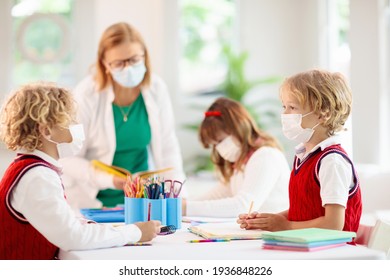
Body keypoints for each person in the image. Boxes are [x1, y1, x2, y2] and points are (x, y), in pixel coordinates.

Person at [0, 82, 161, 260]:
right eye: (69, 120)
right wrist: (135, 232)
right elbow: (73, 237)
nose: (76, 126)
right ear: (46, 131)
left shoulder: (31, 168)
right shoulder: (38, 177)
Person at [61, 22, 185, 208]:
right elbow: (68, 157)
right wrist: (109, 180)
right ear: (105, 64)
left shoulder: (156, 89)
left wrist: (177, 198)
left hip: (142, 201)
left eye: (134, 60)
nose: (128, 68)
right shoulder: (86, 94)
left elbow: (168, 148)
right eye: (119, 63)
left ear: (145, 57)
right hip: (93, 202)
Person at [237, 69, 362, 234]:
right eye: (284, 106)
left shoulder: (332, 161)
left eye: (293, 107)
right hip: (306, 247)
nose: (284, 114)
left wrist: (285, 226)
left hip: (331, 252)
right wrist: (268, 221)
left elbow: (333, 224)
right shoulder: (303, 157)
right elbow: (304, 211)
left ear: (323, 113)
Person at [182, 97, 290, 218]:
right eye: (215, 145)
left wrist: (187, 208)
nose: (219, 149)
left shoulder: (266, 156)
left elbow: (244, 206)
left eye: (221, 141)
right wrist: (183, 204)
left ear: (239, 128)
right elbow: (218, 194)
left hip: (273, 234)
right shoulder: (241, 162)